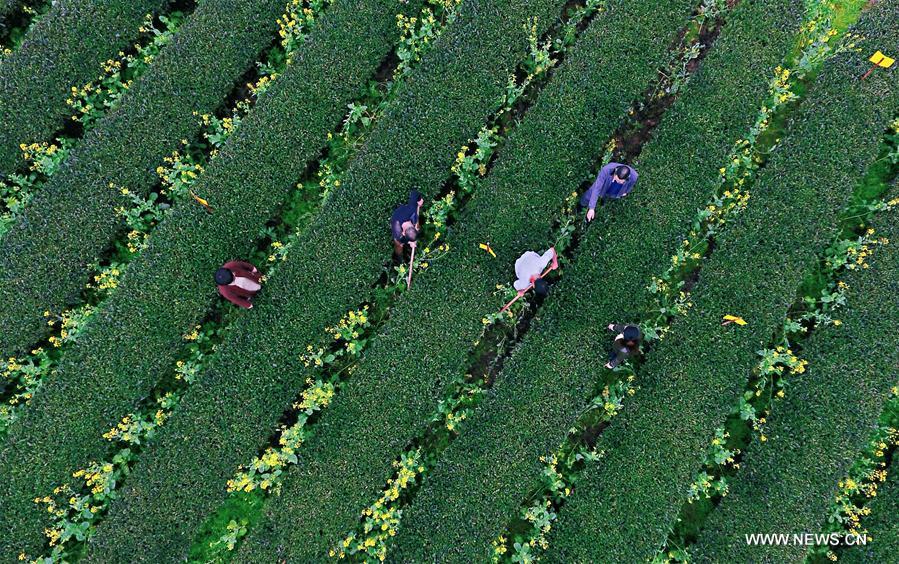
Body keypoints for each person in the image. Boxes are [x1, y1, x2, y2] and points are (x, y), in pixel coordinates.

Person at [391, 189, 424, 260]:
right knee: (399, 245)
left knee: (416, 223)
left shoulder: (413, 211)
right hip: (397, 213)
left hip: (407, 214)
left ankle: (413, 238)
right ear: (403, 233)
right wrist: (409, 242)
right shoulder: (397, 228)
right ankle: (399, 258)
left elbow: (415, 192)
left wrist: (420, 200)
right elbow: (399, 241)